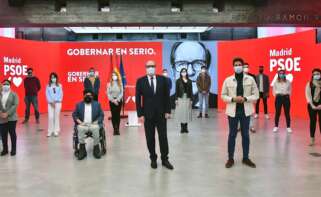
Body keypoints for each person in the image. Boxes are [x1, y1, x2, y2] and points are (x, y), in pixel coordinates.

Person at [221, 57, 259, 168]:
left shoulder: (250, 79)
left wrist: (245, 99)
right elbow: (223, 95)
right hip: (232, 112)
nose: (238, 66)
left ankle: (246, 158)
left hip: (245, 112)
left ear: (243, 66)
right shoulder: (228, 80)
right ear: (233, 67)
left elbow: (256, 95)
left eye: (239, 64)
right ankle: (230, 158)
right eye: (236, 64)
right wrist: (233, 99)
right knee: (232, 135)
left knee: (246, 135)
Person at [136, 60, 173, 170]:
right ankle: (153, 158)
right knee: (150, 138)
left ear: (155, 67)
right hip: (148, 115)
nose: (150, 68)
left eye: (152, 66)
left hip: (161, 114)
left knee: (163, 137)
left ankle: (165, 159)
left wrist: (168, 111)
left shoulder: (163, 80)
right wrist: (140, 114)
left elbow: (167, 96)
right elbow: (138, 99)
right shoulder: (141, 81)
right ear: (145, 68)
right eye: (148, 66)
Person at [72, 89, 104, 160]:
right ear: (84, 96)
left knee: (96, 128)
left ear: (92, 96)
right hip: (83, 124)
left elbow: (101, 115)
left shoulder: (97, 104)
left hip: (93, 124)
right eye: (86, 95)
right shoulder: (79, 105)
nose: (88, 96)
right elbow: (74, 115)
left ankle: (96, 149)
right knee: (79, 128)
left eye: (89, 95)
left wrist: (97, 121)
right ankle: (82, 150)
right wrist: (79, 122)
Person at [0, 80, 19, 156]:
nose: (5, 85)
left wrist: (7, 113)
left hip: (12, 118)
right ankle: (5, 149)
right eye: (4, 84)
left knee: (12, 133)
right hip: (1, 118)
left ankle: (13, 149)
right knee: (3, 134)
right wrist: (1, 113)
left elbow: (15, 105)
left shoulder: (14, 94)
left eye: (7, 84)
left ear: (10, 85)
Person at [272, 69, 292, 133]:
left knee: (287, 113)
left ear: (284, 74)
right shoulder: (276, 82)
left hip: (286, 98)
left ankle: (288, 127)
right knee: (277, 112)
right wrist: (277, 95)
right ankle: (276, 126)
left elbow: (290, 90)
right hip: (278, 98)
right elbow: (273, 91)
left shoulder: (288, 82)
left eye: (282, 73)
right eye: (280, 73)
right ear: (278, 74)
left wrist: (287, 95)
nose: (281, 75)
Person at [305, 68, 321, 146]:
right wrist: (312, 105)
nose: (316, 75)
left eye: (317, 74)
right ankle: (312, 139)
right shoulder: (309, 84)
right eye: (314, 74)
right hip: (312, 105)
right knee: (313, 122)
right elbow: (308, 95)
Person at [175, 68, 193, 133]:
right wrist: (176, 99)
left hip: (187, 98)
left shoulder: (189, 81)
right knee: (181, 113)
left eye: (185, 71)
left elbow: (191, 91)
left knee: (186, 113)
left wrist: (191, 100)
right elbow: (176, 91)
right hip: (180, 98)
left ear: (186, 73)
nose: (184, 73)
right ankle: (182, 128)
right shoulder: (178, 81)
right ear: (180, 73)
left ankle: (186, 128)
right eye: (182, 72)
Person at [46, 72, 63, 137]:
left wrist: (55, 101)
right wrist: (51, 101)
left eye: (54, 77)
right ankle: (50, 131)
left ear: (56, 78)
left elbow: (60, 94)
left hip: (58, 103)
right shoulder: (48, 86)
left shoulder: (59, 85)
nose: (53, 79)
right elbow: (47, 95)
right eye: (52, 77)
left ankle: (56, 131)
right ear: (50, 78)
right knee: (50, 117)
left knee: (56, 117)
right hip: (50, 103)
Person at [107, 71, 123, 136]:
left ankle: (118, 129)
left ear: (117, 76)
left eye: (115, 75)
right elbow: (108, 93)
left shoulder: (120, 83)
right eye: (113, 75)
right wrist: (113, 100)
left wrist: (117, 99)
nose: (114, 76)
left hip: (119, 101)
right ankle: (114, 129)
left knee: (118, 115)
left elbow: (122, 93)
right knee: (113, 115)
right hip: (112, 101)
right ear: (111, 77)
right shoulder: (109, 84)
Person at [243, 63, 257, 133]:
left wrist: (255, 98)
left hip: (250, 97)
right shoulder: (238, 76)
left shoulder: (252, 77)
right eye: (244, 67)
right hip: (241, 98)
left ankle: (251, 127)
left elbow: (255, 88)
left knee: (251, 113)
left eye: (247, 67)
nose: (246, 68)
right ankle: (240, 127)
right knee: (240, 113)